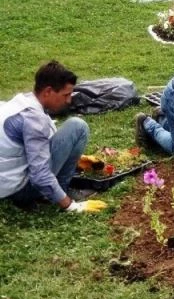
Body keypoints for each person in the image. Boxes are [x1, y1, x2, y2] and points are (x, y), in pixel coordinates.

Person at [0, 61, 106, 213]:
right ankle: (58, 192)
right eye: (66, 95)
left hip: (5, 182)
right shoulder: (34, 120)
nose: (69, 100)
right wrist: (72, 206)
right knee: (78, 126)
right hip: (19, 190)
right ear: (48, 91)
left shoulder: (20, 103)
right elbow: (39, 176)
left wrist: (77, 158)